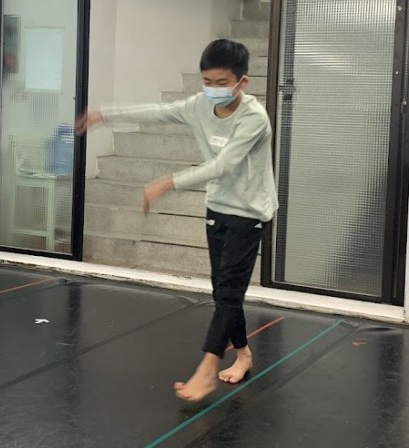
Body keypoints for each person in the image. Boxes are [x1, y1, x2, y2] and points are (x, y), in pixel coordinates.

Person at [76, 39, 277, 402]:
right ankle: (243, 354)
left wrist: (168, 182)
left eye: (221, 83)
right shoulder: (199, 105)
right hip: (218, 207)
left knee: (229, 291)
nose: (213, 89)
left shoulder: (254, 119)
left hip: (249, 213)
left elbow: (223, 165)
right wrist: (105, 114)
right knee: (222, 291)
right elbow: (158, 111)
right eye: (207, 82)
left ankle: (207, 369)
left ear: (242, 82)